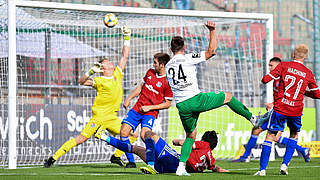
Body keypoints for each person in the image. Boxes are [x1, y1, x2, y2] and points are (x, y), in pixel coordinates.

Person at [165, 21, 259, 176]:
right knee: (228, 97)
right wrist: (212, 30)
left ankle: (181, 168)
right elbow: (212, 51)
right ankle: (253, 118)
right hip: (195, 99)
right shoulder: (188, 58)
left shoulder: (168, 66)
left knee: (191, 135)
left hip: (181, 105)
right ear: (184, 47)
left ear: (171, 49)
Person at [44, 26, 137, 168]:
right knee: (81, 139)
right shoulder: (99, 81)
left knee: (132, 134)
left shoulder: (117, 74)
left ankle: (117, 157)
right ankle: (53, 158)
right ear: (103, 68)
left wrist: (127, 38)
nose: (111, 62)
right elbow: (81, 82)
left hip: (112, 117)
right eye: (107, 62)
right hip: (99, 117)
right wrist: (91, 71)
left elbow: (124, 56)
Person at [254, 44, 320, 176]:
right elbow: (317, 95)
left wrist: (270, 77)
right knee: (294, 135)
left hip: (281, 108)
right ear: (305, 57)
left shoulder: (284, 65)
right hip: (296, 110)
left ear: (293, 54)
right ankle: (284, 165)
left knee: (270, 136)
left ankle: (262, 170)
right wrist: (304, 93)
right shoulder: (308, 73)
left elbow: (265, 79)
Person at [232, 57, 310, 163]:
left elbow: (293, 95)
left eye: (271, 65)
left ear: (278, 66)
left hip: (284, 111)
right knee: (256, 130)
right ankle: (245, 156)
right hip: (276, 110)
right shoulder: (276, 79)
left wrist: (273, 104)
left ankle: (302, 150)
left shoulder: (284, 78)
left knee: (274, 137)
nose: (269, 68)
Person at [119, 53, 173, 168]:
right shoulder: (150, 72)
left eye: (155, 63)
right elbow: (140, 87)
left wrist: (150, 107)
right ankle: (131, 162)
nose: (153, 65)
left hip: (150, 112)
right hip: (137, 108)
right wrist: (129, 98)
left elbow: (168, 104)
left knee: (144, 135)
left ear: (162, 65)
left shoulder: (168, 82)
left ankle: (154, 161)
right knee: (123, 132)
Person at [99, 130, 229, 174]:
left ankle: (105, 137)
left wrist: (176, 141)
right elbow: (216, 168)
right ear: (214, 146)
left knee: (149, 134)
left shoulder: (204, 144)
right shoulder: (210, 161)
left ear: (205, 140)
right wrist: (227, 171)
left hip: (173, 160)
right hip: (167, 170)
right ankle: (105, 137)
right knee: (138, 150)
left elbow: (184, 143)